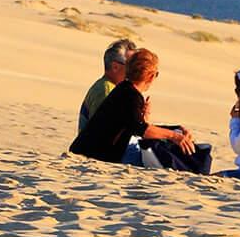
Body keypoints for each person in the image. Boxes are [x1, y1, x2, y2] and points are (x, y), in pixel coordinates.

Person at [71, 48, 210, 171]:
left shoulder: (125, 90)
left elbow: (137, 125)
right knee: (160, 156)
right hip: (96, 154)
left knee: (160, 149)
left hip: (94, 151)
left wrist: (175, 129)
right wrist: (174, 136)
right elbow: (142, 130)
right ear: (150, 76)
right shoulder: (130, 95)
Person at [81, 38, 139, 131]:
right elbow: (104, 133)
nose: (136, 71)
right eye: (131, 66)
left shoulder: (107, 87)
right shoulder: (107, 92)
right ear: (115, 67)